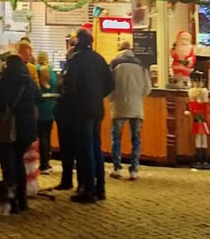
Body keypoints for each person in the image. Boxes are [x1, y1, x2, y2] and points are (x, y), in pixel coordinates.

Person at [0, 54, 40, 214]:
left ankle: (11, 201)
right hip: (26, 129)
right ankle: (22, 200)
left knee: (9, 165)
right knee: (19, 162)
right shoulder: (29, 81)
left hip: (7, 128)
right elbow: (39, 97)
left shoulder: (4, 81)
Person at [63, 29, 113, 204]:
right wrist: (97, 95)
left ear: (78, 43)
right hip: (97, 108)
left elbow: (70, 85)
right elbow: (110, 84)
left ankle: (89, 189)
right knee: (95, 147)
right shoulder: (99, 59)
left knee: (85, 149)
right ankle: (100, 188)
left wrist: (73, 97)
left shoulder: (77, 61)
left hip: (81, 109)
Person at [109, 40, 151, 180]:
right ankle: (134, 169)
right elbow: (147, 88)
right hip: (137, 107)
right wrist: (138, 96)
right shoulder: (141, 64)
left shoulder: (114, 63)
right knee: (136, 139)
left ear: (119, 49)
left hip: (118, 106)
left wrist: (112, 98)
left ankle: (117, 168)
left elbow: (108, 85)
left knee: (116, 138)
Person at [54, 32, 79, 191]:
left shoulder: (71, 68)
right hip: (73, 114)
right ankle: (69, 179)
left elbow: (65, 88)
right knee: (73, 149)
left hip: (69, 115)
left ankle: (68, 179)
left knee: (69, 149)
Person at [35, 52, 58, 174]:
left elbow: (40, 88)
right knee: (47, 135)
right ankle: (47, 162)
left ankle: (43, 164)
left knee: (41, 136)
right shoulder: (52, 71)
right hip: (51, 107)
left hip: (40, 107)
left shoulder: (37, 70)